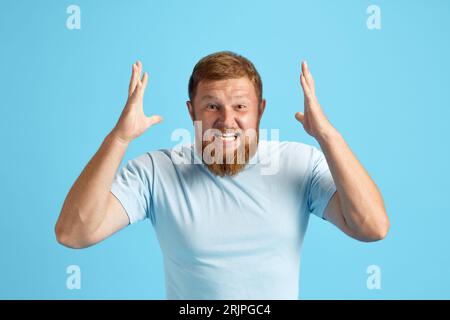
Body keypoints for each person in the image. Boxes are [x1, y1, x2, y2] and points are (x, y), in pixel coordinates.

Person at [55, 51, 390, 299]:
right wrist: (119, 138)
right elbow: (73, 233)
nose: (227, 120)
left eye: (241, 107)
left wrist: (327, 136)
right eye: (212, 106)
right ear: (192, 111)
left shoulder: (300, 163)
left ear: (260, 110)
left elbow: (372, 227)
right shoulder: (156, 171)